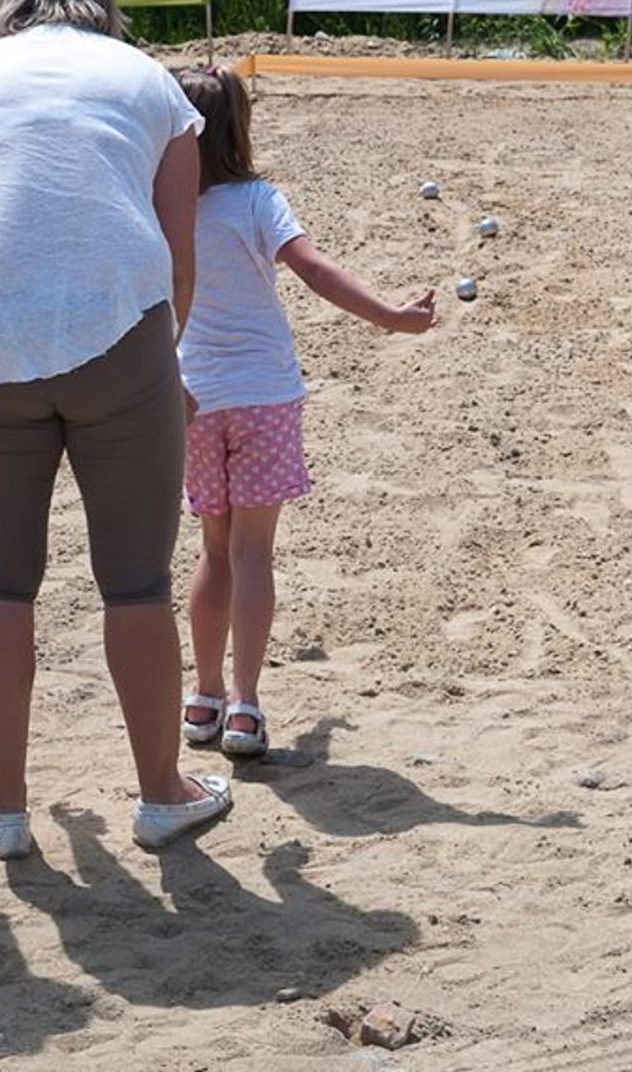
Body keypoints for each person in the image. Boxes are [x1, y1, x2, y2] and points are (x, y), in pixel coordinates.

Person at [0, 0, 232, 856]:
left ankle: (7, 809)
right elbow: (180, 258)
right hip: (118, 328)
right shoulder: (148, 81)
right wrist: (159, 358)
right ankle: (161, 791)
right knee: (137, 582)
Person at [172, 65, 436, 760]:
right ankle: (246, 708)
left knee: (212, 552)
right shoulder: (258, 200)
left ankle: (201, 699)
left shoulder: (161, 206)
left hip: (192, 398)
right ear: (240, 129)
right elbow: (314, 270)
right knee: (255, 554)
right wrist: (391, 317)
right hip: (262, 395)